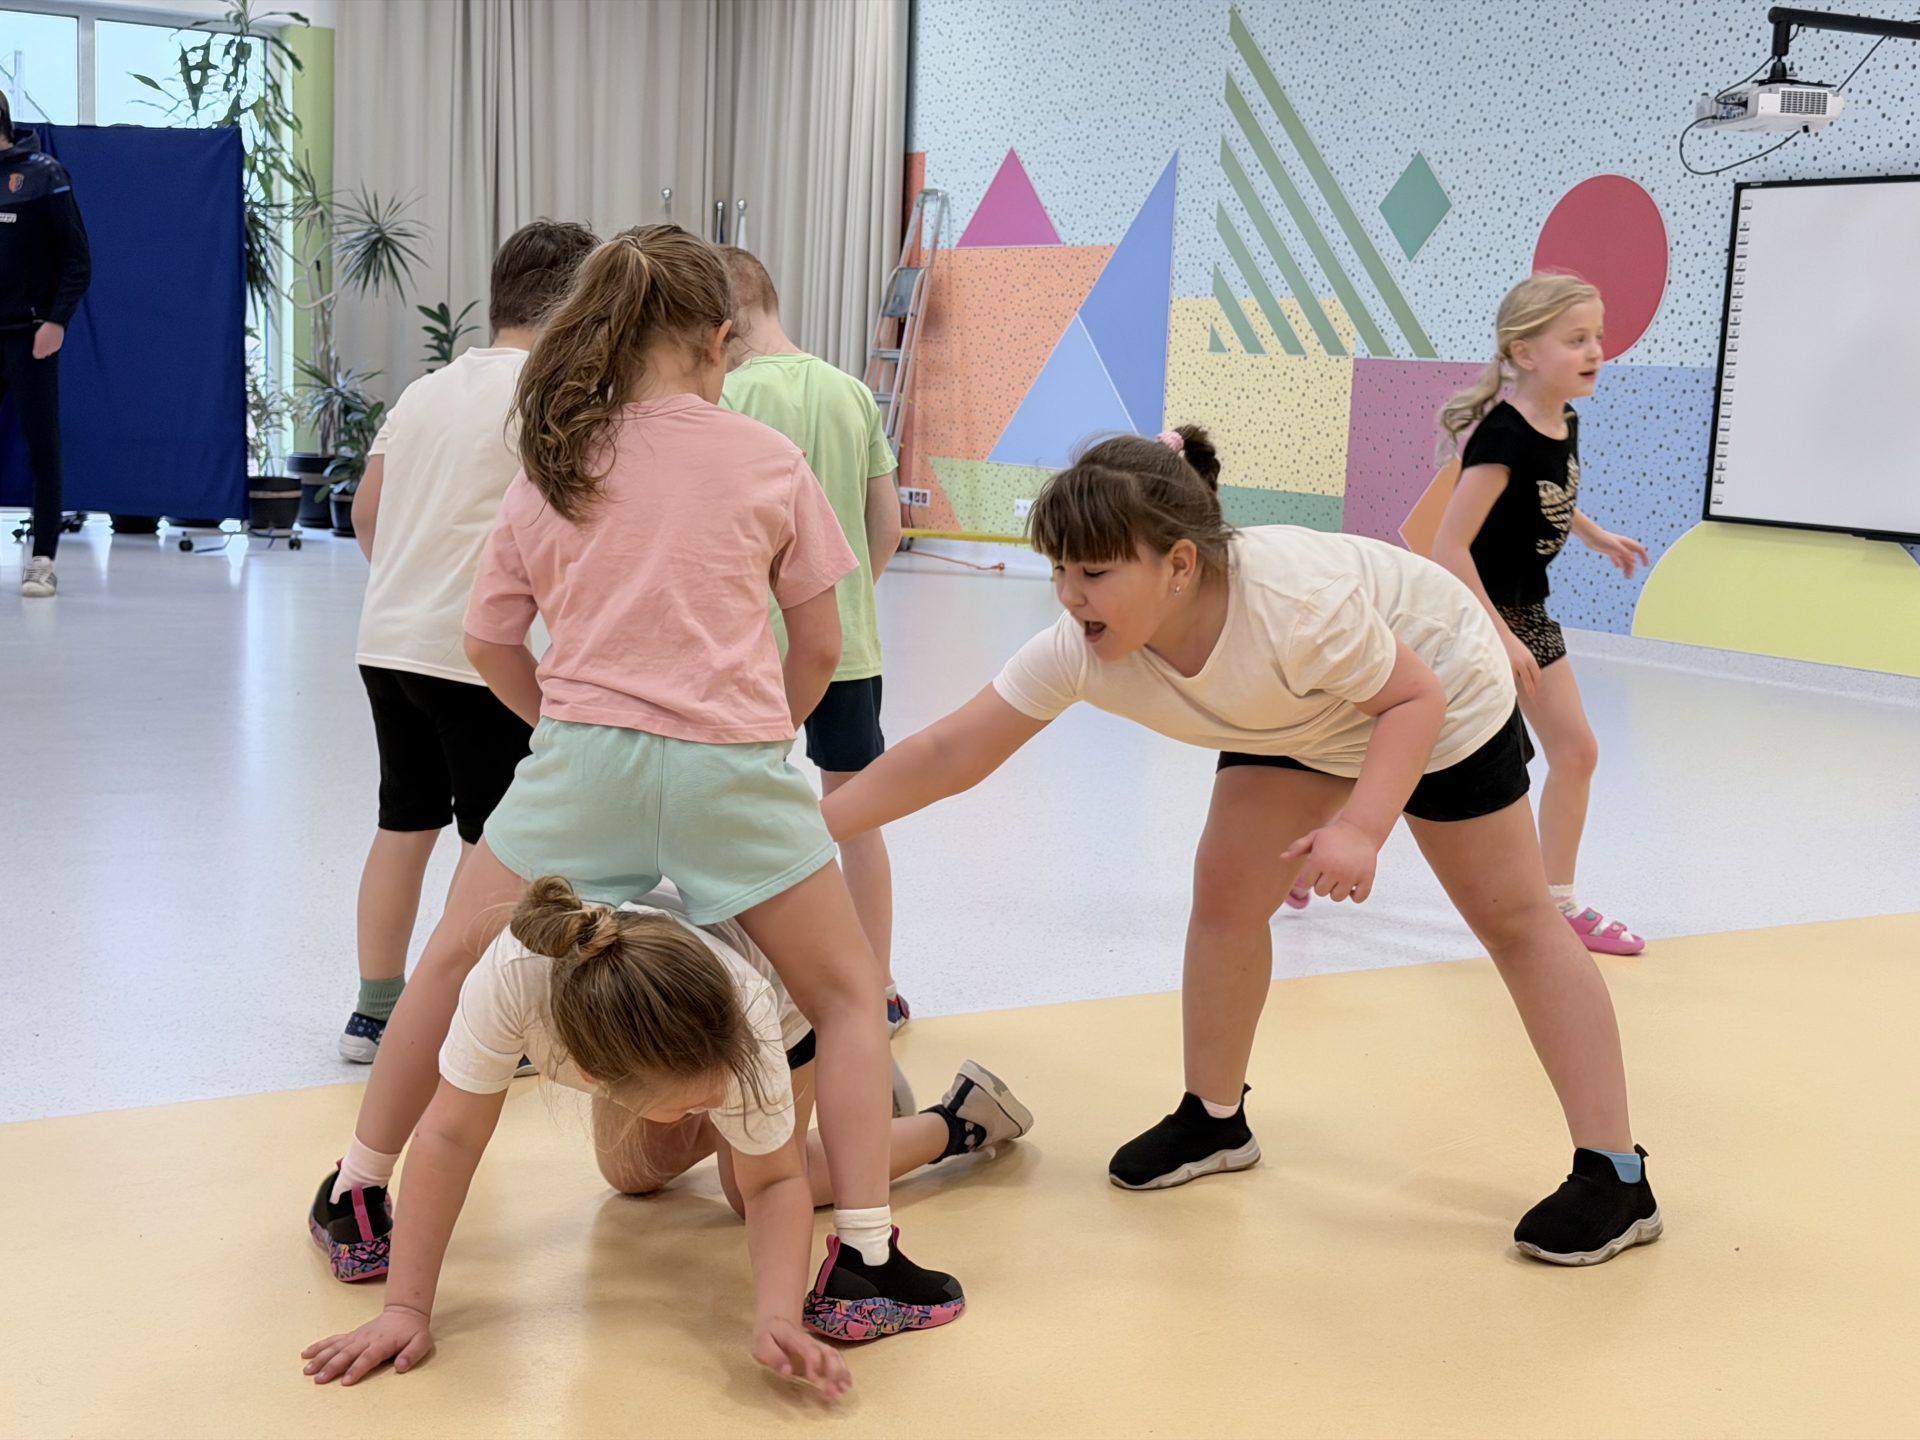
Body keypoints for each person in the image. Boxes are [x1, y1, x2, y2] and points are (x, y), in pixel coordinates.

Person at [305, 225, 963, 1336]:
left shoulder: (558, 459)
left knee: (450, 963)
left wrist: (564, 723)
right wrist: (757, 733)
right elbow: (819, 644)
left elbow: (489, 640)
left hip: (582, 770)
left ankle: (359, 1187)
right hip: (732, 772)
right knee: (851, 997)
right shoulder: (770, 460)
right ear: (717, 342)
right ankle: (863, 1260)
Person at [821, 426, 1664, 1267]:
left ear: (1180, 566)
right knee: (1226, 894)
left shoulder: (1293, 607)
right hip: (1300, 711)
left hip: (1436, 686)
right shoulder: (1083, 649)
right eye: (1061, 571)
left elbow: (1412, 698)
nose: (1071, 597)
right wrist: (810, 831)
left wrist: (1362, 827)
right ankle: (1215, 1119)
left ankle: (1617, 1176)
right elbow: (949, 753)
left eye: (1095, 573)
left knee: (1514, 921)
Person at [303, 875, 1032, 1390]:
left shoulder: (744, 1012)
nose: (707, 1103)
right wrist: (406, 1309)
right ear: (593, 1076)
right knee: (631, 1176)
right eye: (694, 1102)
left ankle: (955, 1121)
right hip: (661, 1038)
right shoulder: (510, 981)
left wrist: (776, 1315)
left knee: (747, 1188)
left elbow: (775, 1183)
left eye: (712, 1096)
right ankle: (767, 1115)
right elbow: (448, 1139)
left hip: (774, 1023)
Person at [341, 219, 598, 1064]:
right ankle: (461, 1020)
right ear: (576, 307)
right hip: (480, 654)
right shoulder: (550, 397)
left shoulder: (424, 391)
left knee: (403, 822)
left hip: (389, 642)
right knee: (497, 843)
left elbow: (366, 514)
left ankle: (375, 1012)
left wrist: (415, 589)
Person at [716, 247, 911, 1039]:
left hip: (749, 650)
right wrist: (848, 601)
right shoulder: (852, 393)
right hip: (847, 645)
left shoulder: (725, 395)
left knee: (735, 815)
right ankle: (878, 985)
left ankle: (747, 988)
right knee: (857, 814)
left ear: (720, 323)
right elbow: (887, 527)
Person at [1432, 273, 1650, 956]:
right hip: (1471, 615)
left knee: (1577, 753)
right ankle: (1311, 853)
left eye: (1598, 337)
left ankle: (1558, 904)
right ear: (1524, 353)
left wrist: (1593, 534)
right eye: (1576, 339)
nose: (1595, 351)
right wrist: (1500, 637)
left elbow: (1545, 492)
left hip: (1526, 610)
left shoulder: (1563, 419)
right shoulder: (1502, 437)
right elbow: (1448, 548)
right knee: (1401, 755)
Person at [0, 90, 91, 599]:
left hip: (30, 336)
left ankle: (42, 560)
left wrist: (56, 321)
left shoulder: (44, 175)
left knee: (42, 447)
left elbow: (77, 259)